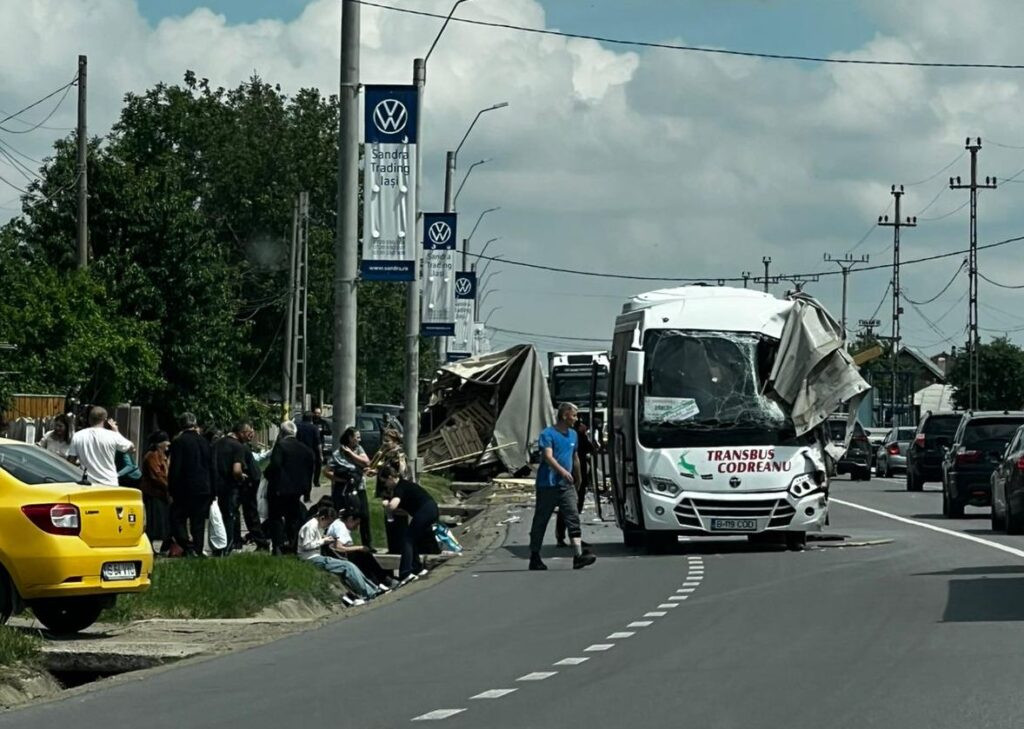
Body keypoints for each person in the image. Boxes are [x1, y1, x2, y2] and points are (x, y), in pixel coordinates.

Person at [528, 402, 596, 571]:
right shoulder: (548, 434)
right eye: (574, 415)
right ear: (565, 415)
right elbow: (548, 457)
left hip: (566, 486)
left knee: (573, 516)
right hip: (548, 484)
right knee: (541, 520)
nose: (576, 419)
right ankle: (535, 556)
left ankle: (578, 555)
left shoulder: (573, 435)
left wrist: (578, 477)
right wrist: (562, 472)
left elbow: (575, 458)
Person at [297, 505, 383, 604]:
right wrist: (323, 541)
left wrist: (326, 540)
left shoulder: (317, 526)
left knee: (350, 566)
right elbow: (306, 545)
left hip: (317, 556)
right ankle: (368, 592)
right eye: (327, 523)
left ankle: (372, 589)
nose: (327, 526)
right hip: (310, 558)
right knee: (348, 566)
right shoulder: (311, 526)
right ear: (322, 518)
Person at [378, 465, 439, 585]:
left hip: (426, 510)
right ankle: (417, 568)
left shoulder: (400, 487)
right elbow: (404, 510)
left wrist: (386, 504)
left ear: (390, 478)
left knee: (407, 539)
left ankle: (405, 573)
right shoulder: (405, 485)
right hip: (431, 509)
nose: (385, 485)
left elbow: (393, 506)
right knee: (413, 539)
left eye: (384, 482)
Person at [265, 420, 316, 555]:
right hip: (296, 491)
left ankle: (278, 546)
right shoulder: (306, 449)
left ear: (281, 433)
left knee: (275, 517)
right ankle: (293, 545)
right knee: (293, 517)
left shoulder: (281, 446)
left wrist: (267, 474)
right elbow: (310, 471)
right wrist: (307, 491)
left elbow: (275, 465)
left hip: (279, 489)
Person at [168, 412, 213, 558]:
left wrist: (171, 488)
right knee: (198, 522)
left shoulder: (179, 442)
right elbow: (211, 467)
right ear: (195, 424)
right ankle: (198, 550)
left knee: (176, 518)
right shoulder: (205, 441)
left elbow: (176, 468)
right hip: (204, 488)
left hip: (185, 488)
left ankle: (187, 546)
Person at [325, 500, 396, 588]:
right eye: (356, 524)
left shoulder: (338, 524)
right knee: (364, 555)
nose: (357, 527)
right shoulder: (341, 528)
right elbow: (339, 548)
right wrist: (360, 547)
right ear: (350, 519)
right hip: (338, 556)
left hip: (337, 555)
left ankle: (381, 580)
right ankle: (383, 580)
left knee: (365, 556)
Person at [329, 427, 374, 551]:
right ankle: (338, 541)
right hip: (344, 489)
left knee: (364, 514)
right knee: (342, 514)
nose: (359, 439)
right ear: (350, 438)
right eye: (357, 437)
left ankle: (368, 543)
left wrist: (351, 454)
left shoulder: (358, 449)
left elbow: (366, 463)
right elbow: (327, 471)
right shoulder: (338, 454)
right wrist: (341, 480)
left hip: (359, 487)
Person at [67, 406, 135, 486]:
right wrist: (117, 432)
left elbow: (70, 461)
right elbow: (132, 449)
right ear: (105, 420)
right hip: (109, 483)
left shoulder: (78, 436)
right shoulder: (113, 435)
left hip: (88, 483)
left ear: (89, 419)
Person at [210, 422, 250, 556]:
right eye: (247, 433)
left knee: (216, 517)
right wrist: (241, 477)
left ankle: (216, 546)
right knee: (229, 516)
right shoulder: (238, 447)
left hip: (215, 486)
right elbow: (236, 470)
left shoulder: (217, 444)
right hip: (230, 486)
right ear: (240, 432)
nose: (248, 436)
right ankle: (226, 547)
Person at [556, 417, 596, 547]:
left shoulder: (565, 435)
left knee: (569, 509)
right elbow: (591, 448)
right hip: (574, 477)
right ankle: (570, 537)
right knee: (572, 508)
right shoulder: (576, 436)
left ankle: (567, 537)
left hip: (572, 476)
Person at [236, 424, 269, 550]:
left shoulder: (242, 447)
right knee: (250, 514)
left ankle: (261, 541)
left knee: (250, 514)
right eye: (250, 432)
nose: (252, 435)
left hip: (250, 483)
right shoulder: (243, 446)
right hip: (252, 481)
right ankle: (259, 540)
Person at [140, 431, 173, 555]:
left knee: (161, 521)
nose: (168, 444)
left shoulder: (163, 456)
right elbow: (157, 475)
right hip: (153, 494)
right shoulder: (151, 456)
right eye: (166, 441)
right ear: (160, 444)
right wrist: (168, 486)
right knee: (153, 523)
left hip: (161, 493)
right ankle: (150, 547)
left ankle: (162, 547)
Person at [296, 412, 323, 500]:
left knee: (298, 474)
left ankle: (297, 494)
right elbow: (318, 443)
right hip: (310, 454)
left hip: (298, 453)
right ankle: (307, 496)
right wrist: (320, 455)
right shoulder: (314, 428)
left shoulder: (297, 426)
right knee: (308, 476)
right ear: (311, 419)